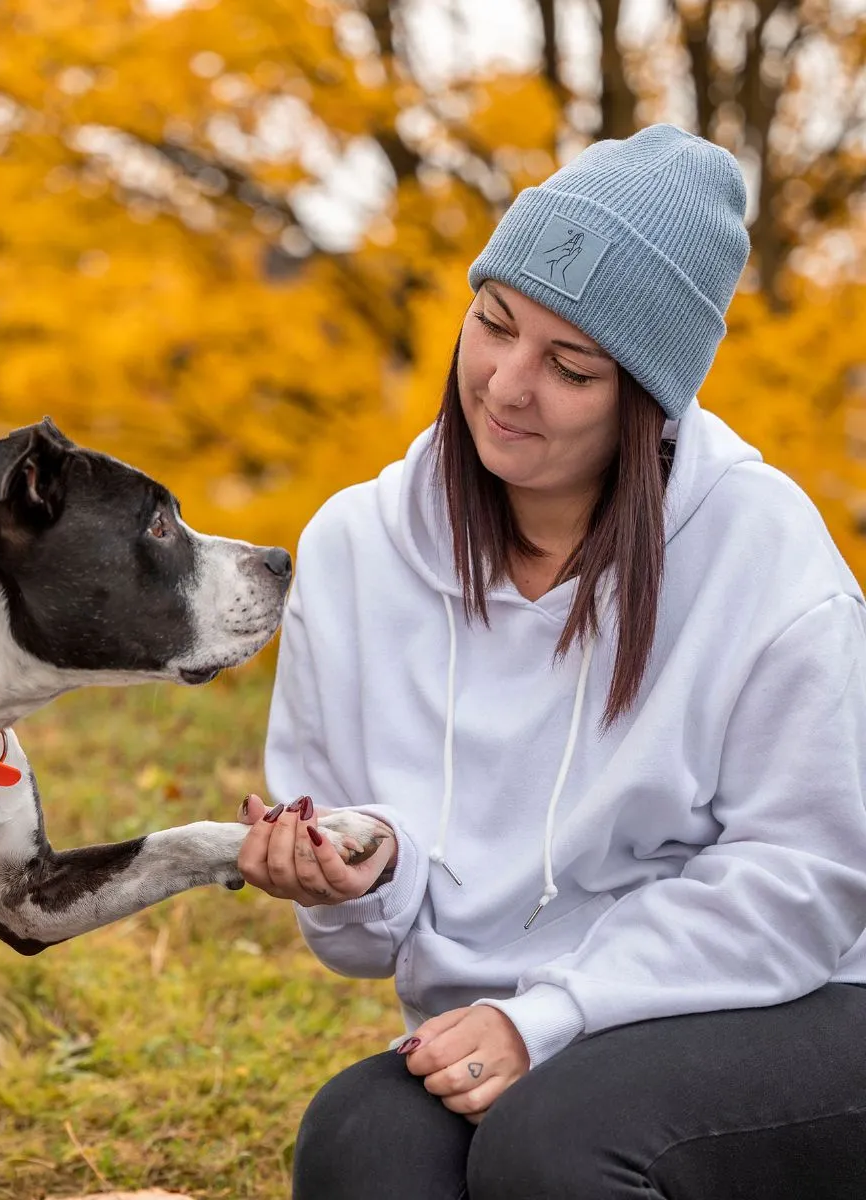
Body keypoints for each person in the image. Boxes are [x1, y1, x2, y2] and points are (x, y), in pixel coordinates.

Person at [236, 124, 866, 1199]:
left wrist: (556, 1016)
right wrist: (364, 870)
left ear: (647, 405)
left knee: (558, 1146)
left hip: (782, 1002)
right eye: (493, 324)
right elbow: (357, 940)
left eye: (571, 367)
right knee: (359, 1144)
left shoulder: (762, 552)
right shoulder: (353, 551)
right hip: (493, 1025)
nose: (507, 384)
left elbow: (804, 882)